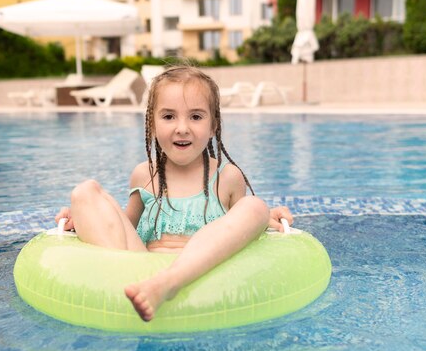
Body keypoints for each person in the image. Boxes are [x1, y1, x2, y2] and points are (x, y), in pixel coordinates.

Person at [55, 66, 293, 322]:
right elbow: (122, 230)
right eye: (168, 116)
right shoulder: (144, 175)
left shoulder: (227, 177)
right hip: (138, 268)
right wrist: (84, 219)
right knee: (84, 192)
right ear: (152, 124)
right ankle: (142, 290)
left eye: (196, 117)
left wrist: (264, 217)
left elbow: (235, 228)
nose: (182, 128)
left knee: (254, 206)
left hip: (202, 278)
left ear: (214, 125)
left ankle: (170, 283)